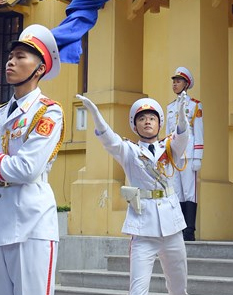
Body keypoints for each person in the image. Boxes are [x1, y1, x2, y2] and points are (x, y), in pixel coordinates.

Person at [0, 24, 64, 295]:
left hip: (32, 222)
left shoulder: (48, 113)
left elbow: (27, 169)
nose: (11, 62)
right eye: (11, 57)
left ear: (39, 68)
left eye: (21, 57)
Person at [77, 92, 189, 295]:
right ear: (134, 126)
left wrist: (182, 116)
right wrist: (95, 113)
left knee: (178, 287)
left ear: (159, 124)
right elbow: (109, 140)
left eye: (152, 118)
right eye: (142, 118)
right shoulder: (129, 150)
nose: (147, 122)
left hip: (172, 227)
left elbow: (182, 137)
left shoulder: (169, 147)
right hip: (143, 228)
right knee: (137, 290)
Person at [166, 67, 203, 241]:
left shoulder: (195, 105)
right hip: (174, 154)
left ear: (186, 84)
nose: (175, 84)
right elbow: (167, 133)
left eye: (178, 81)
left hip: (188, 153)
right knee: (177, 192)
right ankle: (180, 228)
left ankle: (189, 230)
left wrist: (198, 156)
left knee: (189, 192)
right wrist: (166, 155)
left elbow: (199, 132)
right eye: (173, 81)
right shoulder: (170, 107)